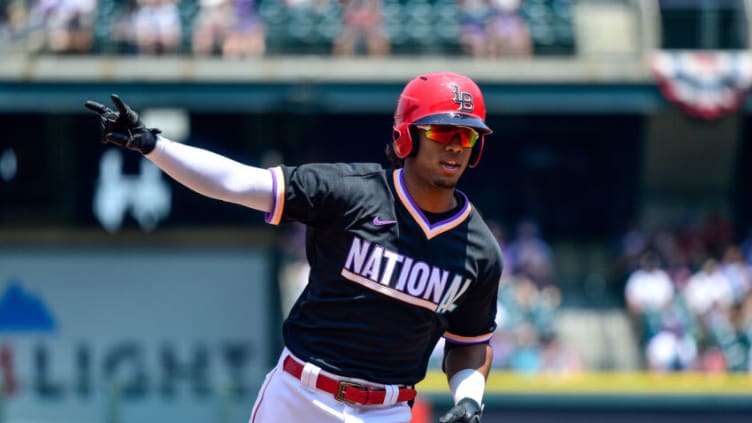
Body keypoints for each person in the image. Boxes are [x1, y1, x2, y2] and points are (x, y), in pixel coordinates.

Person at [85, 71, 503, 423]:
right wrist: (154, 146)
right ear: (406, 136)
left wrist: (469, 398)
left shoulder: (479, 249)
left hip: (388, 410)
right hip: (300, 397)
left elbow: (468, 344)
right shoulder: (349, 192)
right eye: (443, 130)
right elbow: (239, 183)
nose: (455, 145)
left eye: (468, 136)